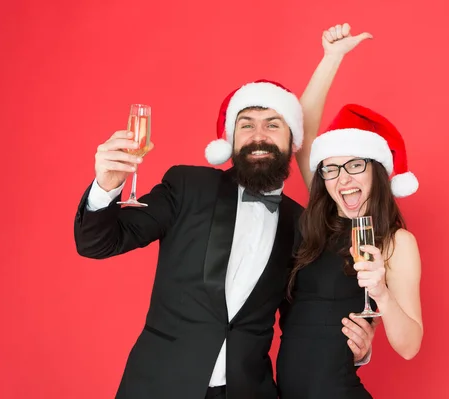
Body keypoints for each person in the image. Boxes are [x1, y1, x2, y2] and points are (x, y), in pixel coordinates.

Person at [74, 24, 374, 399]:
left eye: (272, 125)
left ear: (292, 140)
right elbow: (97, 242)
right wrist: (106, 186)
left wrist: (358, 347)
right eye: (245, 125)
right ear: (230, 140)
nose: (259, 135)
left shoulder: (301, 223)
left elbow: (311, 314)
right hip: (160, 387)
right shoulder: (188, 187)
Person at [276, 103, 424, 398]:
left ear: (377, 170)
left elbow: (410, 346)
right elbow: (300, 125)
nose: (343, 179)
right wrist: (330, 58)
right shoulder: (313, 226)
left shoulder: (396, 242)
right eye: (331, 169)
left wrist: (381, 292)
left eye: (355, 165)